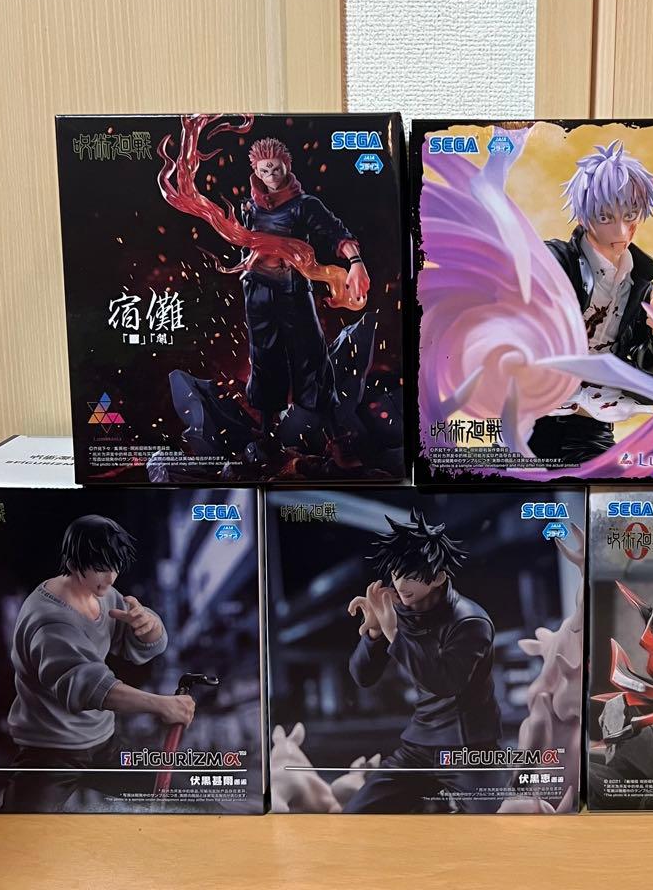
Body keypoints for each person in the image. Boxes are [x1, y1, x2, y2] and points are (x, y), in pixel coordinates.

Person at [2, 515, 192, 812]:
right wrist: (161, 705)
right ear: (74, 562)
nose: (112, 577)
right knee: (19, 828)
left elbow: (136, 646)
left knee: (187, 795)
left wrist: (149, 627)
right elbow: (91, 688)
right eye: (102, 568)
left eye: (115, 567)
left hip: (103, 743)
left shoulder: (102, 595)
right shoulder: (51, 621)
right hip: (51, 751)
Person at [527, 141, 653, 465]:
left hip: (593, 419)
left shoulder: (639, 283)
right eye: (605, 217)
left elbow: (646, 365)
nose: (621, 230)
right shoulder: (556, 260)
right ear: (585, 218)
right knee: (507, 485)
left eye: (630, 215)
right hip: (534, 412)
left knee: (603, 480)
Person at [342, 509, 502, 813]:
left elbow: (445, 682)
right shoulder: (399, 611)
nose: (400, 584)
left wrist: (393, 633)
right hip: (419, 746)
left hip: (468, 750)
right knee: (357, 815)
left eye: (411, 575)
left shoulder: (471, 621)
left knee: (490, 824)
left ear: (438, 576)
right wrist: (374, 633)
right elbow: (362, 677)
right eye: (396, 573)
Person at [239, 136, 370, 466]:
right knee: (264, 357)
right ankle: (266, 435)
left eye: (275, 168)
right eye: (264, 170)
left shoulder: (304, 205)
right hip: (257, 292)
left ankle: (336, 438)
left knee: (313, 357)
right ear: (255, 170)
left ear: (287, 167)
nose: (270, 175)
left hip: (294, 290)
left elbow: (336, 233)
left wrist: (356, 263)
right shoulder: (250, 206)